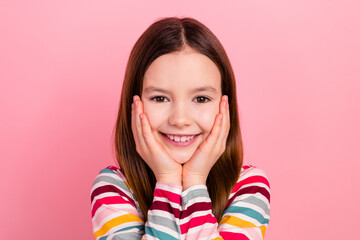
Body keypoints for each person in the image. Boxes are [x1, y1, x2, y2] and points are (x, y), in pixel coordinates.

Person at [90, 17, 271, 240]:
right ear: (134, 104)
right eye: (159, 98)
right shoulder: (114, 188)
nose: (180, 119)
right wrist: (168, 179)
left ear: (225, 106)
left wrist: (194, 181)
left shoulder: (249, 186)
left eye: (201, 98)